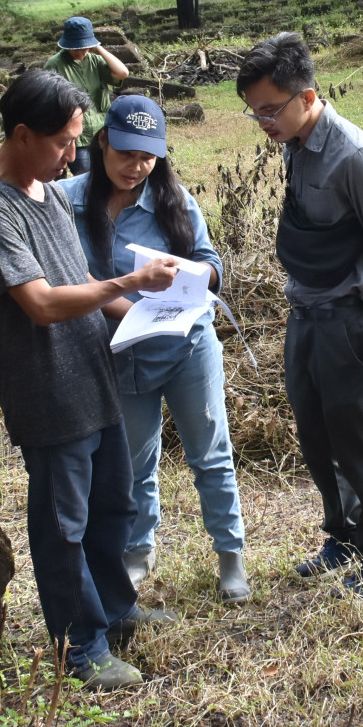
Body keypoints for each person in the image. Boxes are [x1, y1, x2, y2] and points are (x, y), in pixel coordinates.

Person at [0, 69, 178, 691]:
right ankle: (80, 647)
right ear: (22, 134)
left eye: (78, 141)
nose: (73, 158)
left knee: (114, 503)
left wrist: (150, 315)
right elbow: (44, 303)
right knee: (64, 525)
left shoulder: (46, 191)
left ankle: (114, 609)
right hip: (48, 390)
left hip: (92, 374)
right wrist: (130, 284)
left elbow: (75, 276)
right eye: (62, 144)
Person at [236, 32, 363, 598]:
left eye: (271, 110)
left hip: (348, 317)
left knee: (357, 433)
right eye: (254, 113)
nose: (264, 122)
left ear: (308, 97)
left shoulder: (354, 157)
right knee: (314, 429)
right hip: (305, 309)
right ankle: (343, 535)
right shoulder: (296, 140)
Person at [60, 95, 249, 602]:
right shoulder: (67, 201)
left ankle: (231, 556)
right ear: (102, 142)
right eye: (126, 154)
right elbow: (66, 277)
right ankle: (137, 553)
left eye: (148, 157)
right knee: (134, 464)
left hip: (185, 346)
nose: (136, 167)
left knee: (210, 455)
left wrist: (192, 279)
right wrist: (129, 307)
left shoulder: (174, 202)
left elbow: (212, 265)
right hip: (119, 355)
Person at [42, 16, 130, 176]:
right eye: (77, 48)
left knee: (107, 175)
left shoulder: (96, 61)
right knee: (86, 178)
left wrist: (98, 48)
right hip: (76, 136)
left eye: (85, 47)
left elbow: (123, 72)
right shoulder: (54, 64)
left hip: (102, 130)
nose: (82, 52)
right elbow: (47, 101)